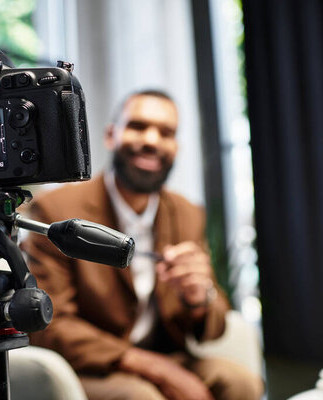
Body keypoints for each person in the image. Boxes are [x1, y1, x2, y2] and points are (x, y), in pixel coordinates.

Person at [22, 90, 263, 400]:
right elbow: (51, 322)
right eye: (137, 126)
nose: (151, 140)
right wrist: (155, 368)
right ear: (111, 135)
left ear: (176, 147)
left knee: (241, 383)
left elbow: (215, 322)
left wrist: (198, 297)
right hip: (91, 366)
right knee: (142, 397)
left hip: (165, 354)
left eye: (166, 133)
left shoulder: (187, 213)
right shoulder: (57, 211)